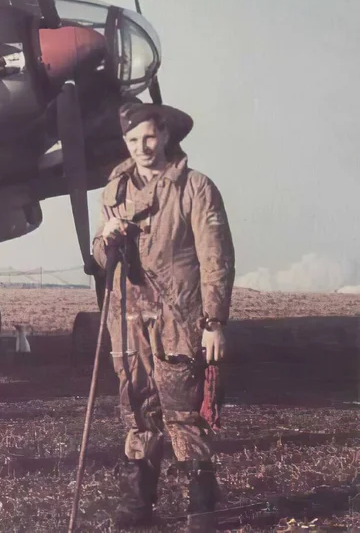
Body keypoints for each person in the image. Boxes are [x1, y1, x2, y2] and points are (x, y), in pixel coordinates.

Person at [92, 102, 235, 529]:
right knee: (136, 406)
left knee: (182, 409)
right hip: (128, 316)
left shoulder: (196, 187)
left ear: (167, 136)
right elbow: (101, 259)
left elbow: (216, 259)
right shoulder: (113, 192)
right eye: (133, 140)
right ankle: (138, 504)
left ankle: (201, 507)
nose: (142, 147)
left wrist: (214, 323)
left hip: (180, 316)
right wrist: (107, 238)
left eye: (150, 137)